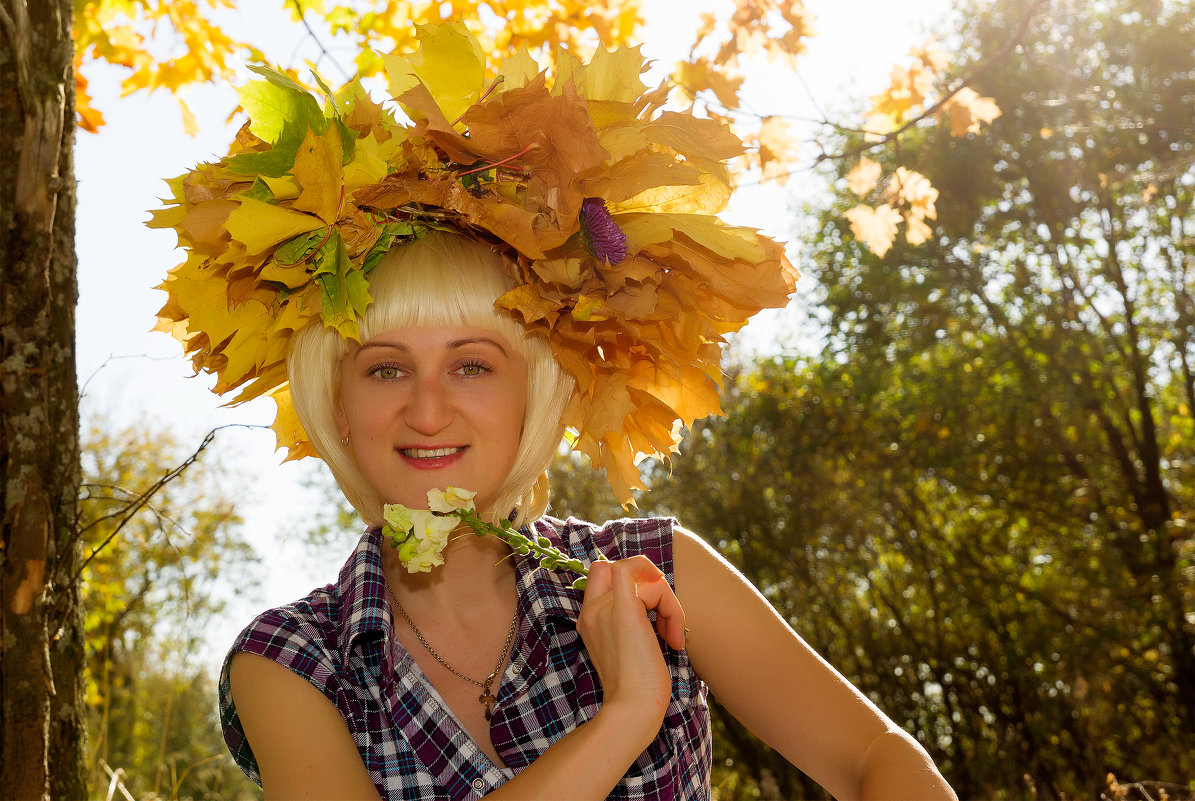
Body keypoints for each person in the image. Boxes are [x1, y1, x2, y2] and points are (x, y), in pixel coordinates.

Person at [152, 22, 957, 800]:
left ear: (530, 394)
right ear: (339, 403)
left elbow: (876, 759)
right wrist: (626, 715)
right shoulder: (291, 661)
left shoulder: (655, 574)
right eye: (386, 368)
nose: (426, 409)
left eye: (472, 364)